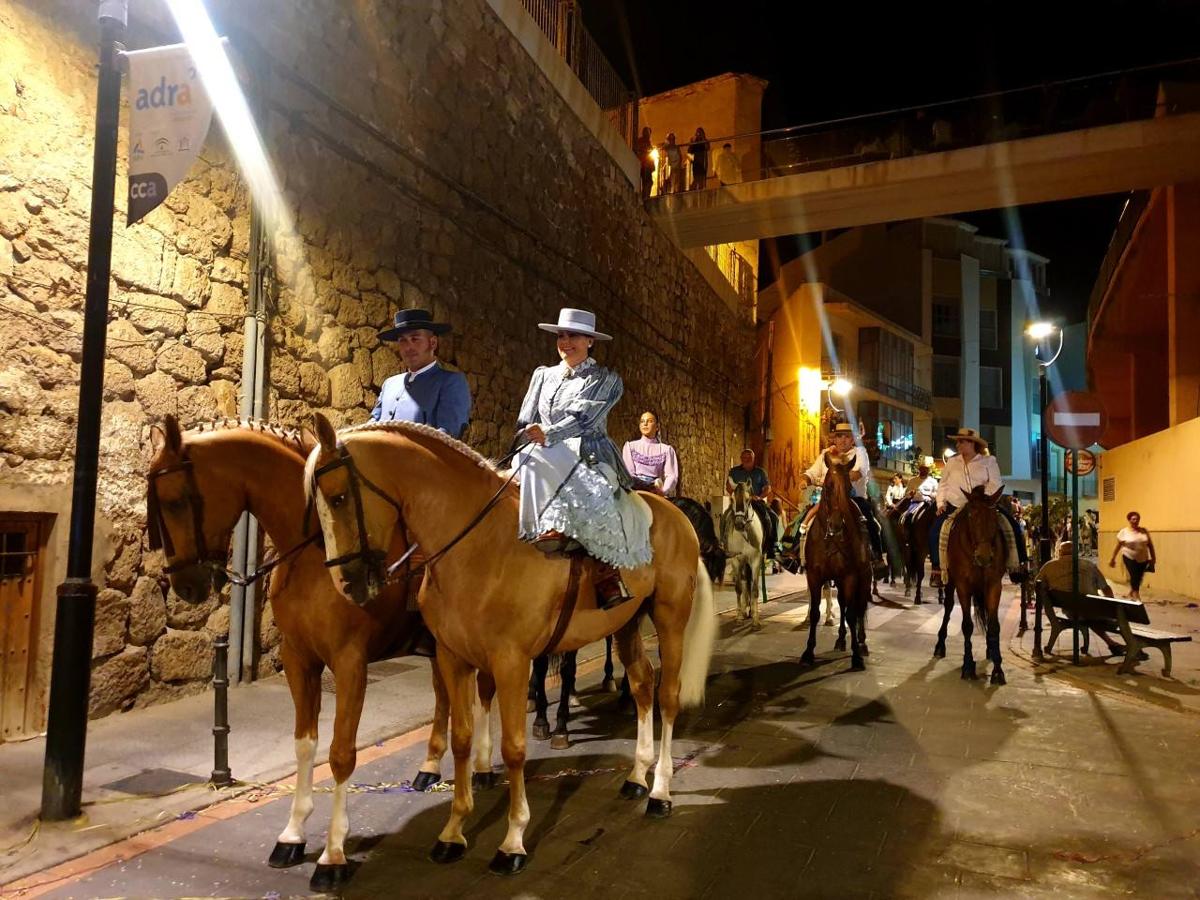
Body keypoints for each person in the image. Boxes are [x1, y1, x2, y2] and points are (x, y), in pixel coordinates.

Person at [516, 308, 650, 609]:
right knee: (517, 470)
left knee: (596, 498)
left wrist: (547, 433)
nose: (565, 342)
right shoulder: (543, 375)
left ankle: (606, 572)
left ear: (590, 341)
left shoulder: (606, 379)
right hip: (541, 448)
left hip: (589, 454)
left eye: (573, 336)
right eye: (561, 336)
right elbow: (525, 419)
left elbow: (585, 419)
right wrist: (528, 434)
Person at [929, 428, 1027, 587]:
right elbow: (943, 484)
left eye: (962, 441)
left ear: (972, 443)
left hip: (983, 505)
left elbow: (995, 482)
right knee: (935, 531)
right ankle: (937, 570)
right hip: (956, 505)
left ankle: (1019, 565)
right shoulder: (952, 462)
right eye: (958, 441)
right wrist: (940, 503)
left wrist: (982, 499)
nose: (958, 444)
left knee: (1013, 526)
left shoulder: (988, 461)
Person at [371, 307, 471, 438]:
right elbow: (371, 427)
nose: (408, 347)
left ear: (433, 343)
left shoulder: (451, 382)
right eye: (402, 340)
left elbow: (446, 438)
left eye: (415, 339)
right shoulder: (389, 384)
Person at [797, 422, 883, 562]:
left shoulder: (860, 453)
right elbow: (812, 472)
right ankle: (794, 552)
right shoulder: (826, 454)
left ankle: (876, 555)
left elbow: (859, 473)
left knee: (868, 521)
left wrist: (836, 479)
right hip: (827, 498)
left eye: (847, 436)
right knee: (802, 519)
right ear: (834, 439)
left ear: (853, 440)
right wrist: (805, 480)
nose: (843, 440)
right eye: (839, 436)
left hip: (854, 498)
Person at [1038, 540, 1126, 655]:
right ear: (1076, 552)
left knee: (1086, 613)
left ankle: (1112, 643)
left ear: (1059, 552)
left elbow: (1038, 586)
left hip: (1070, 611)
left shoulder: (1048, 567)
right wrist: (1110, 608)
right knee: (1118, 614)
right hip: (1092, 611)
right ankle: (1130, 646)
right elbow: (1106, 588)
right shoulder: (1088, 565)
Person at [726, 448, 777, 555]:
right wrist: (736, 494)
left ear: (754, 459)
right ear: (741, 459)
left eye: (749, 458)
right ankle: (723, 542)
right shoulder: (734, 471)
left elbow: (768, 487)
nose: (747, 460)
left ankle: (772, 545)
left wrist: (760, 497)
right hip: (739, 502)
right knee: (725, 517)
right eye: (744, 458)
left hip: (755, 502)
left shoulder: (760, 472)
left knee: (772, 516)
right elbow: (728, 486)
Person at [621, 410, 679, 496]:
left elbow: (671, 476)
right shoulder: (630, 447)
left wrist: (663, 491)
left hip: (656, 490)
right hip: (636, 490)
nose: (645, 424)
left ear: (657, 427)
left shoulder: (666, 450)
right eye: (642, 421)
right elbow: (629, 474)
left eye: (650, 421)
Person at [1109, 510, 1156, 601]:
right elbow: (1118, 546)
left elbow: (1150, 545)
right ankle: (1136, 594)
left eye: (1137, 519)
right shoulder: (1124, 532)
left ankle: (1132, 591)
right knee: (1134, 575)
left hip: (1143, 558)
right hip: (1129, 557)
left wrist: (1153, 558)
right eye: (1133, 519)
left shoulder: (1143, 531)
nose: (1136, 521)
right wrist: (1112, 558)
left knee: (1139, 576)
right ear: (1129, 520)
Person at [634, 126, 654, 200]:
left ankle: (645, 196)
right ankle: (645, 197)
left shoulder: (646, 141)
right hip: (645, 165)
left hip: (646, 165)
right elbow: (644, 152)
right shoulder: (643, 141)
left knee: (647, 182)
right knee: (647, 182)